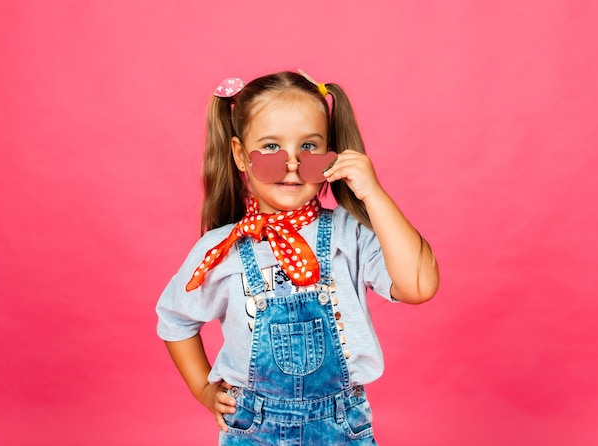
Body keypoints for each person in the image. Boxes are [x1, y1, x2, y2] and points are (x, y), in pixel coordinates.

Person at [156, 70, 439, 445]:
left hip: (341, 428)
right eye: (271, 148)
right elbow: (175, 319)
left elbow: (419, 286)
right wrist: (203, 390)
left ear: (330, 155)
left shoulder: (348, 233)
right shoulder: (222, 249)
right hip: (252, 430)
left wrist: (373, 194)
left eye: (309, 148)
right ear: (241, 156)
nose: (291, 164)